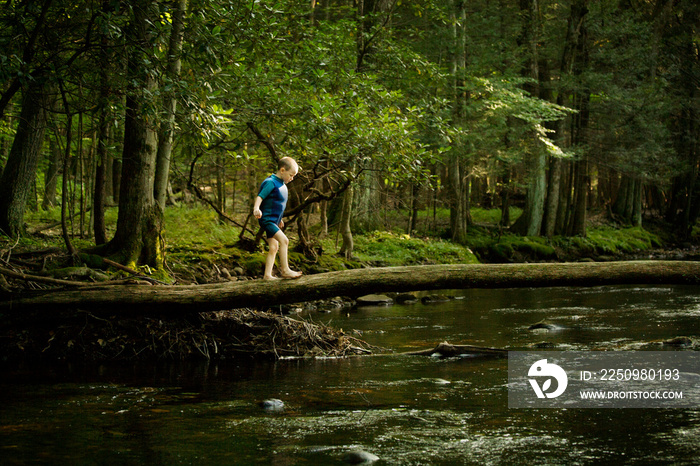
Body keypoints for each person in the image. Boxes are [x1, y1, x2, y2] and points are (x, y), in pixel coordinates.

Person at [253, 157, 303, 280]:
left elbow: (276, 205)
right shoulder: (271, 182)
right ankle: (285, 270)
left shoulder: (281, 184)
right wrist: (256, 208)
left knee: (274, 248)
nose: (292, 178)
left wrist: (279, 219)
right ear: (282, 170)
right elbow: (260, 197)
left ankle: (267, 275)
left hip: (273, 221)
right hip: (267, 220)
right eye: (291, 175)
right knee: (284, 241)